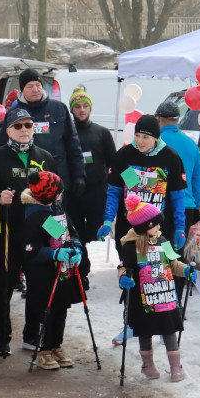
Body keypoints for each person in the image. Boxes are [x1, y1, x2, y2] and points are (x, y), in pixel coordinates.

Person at [98, 114, 187, 344]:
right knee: (132, 275)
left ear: (156, 137)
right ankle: (130, 323)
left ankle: (165, 325)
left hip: (160, 230)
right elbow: (114, 192)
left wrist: (180, 228)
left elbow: (178, 197)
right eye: (137, 135)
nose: (140, 141)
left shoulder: (170, 157)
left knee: (161, 277)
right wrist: (108, 220)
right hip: (130, 231)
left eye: (145, 137)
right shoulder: (125, 155)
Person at [0, 107, 58, 356]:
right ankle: (2, 338)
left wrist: (61, 232)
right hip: (4, 228)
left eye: (28, 125)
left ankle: (32, 335)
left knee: (37, 285)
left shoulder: (45, 156)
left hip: (39, 231)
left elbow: (56, 196)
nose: (24, 130)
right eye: (18, 126)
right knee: (4, 283)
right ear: (8, 130)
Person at [118, 195, 196, 382]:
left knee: (169, 330)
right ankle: (148, 365)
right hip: (143, 298)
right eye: (156, 225)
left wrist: (184, 270)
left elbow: (173, 262)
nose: (160, 228)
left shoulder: (162, 240)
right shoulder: (130, 247)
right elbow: (124, 268)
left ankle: (176, 367)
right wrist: (123, 279)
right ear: (146, 226)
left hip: (164, 295)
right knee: (144, 331)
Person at [0, 69, 86, 195]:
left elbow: (73, 144)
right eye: (30, 86)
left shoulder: (59, 109)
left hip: (56, 179)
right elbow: (4, 147)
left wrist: (79, 175)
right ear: (22, 89)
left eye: (38, 85)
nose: (35, 89)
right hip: (23, 182)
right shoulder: (14, 112)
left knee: (53, 215)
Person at [21, 171, 84, 370]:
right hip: (41, 273)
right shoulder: (33, 215)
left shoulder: (56, 209)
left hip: (62, 271)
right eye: (59, 192)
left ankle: (56, 345)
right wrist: (53, 254)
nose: (61, 195)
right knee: (44, 310)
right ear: (52, 194)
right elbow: (28, 249)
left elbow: (70, 233)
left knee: (60, 308)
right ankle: (44, 349)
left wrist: (76, 248)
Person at [68, 86, 116, 281]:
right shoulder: (67, 133)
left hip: (97, 191)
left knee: (96, 231)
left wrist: (132, 184)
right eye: (77, 106)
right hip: (74, 191)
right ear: (72, 109)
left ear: (90, 108)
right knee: (75, 232)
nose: (81, 110)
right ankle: (81, 271)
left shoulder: (102, 133)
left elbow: (115, 162)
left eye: (85, 106)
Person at [155, 101, 200, 238]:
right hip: (186, 205)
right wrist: (196, 206)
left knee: (156, 252)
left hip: (157, 204)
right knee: (177, 254)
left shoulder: (154, 141)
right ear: (177, 119)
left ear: (158, 118)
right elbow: (197, 179)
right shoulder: (191, 144)